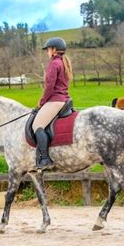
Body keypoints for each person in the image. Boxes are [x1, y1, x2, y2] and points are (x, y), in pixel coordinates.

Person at [32, 37, 73, 170]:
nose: (47, 52)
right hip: (63, 99)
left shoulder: (54, 63)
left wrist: (42, 102)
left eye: (48, 49)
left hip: (55, 100)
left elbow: (49, 86)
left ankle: (45, 159)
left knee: (37, 125)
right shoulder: (63, 62)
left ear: (54, 50)